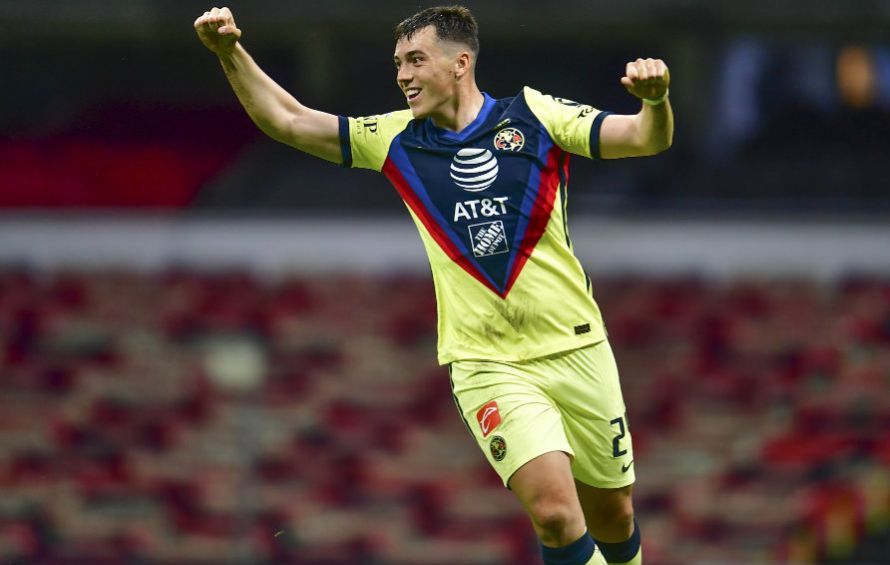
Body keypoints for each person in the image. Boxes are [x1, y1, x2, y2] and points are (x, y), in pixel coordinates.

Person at [194, 5, 672, 565]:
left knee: (612, 514)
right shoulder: (395, 138)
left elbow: (644, 138)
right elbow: (291, 121)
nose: (401, 75)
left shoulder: (536, 116)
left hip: (578, 347)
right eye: (398, 63)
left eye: (415, 60)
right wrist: (230, 53)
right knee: (556, 516)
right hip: (486, 362)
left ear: (460, 63)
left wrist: (656, 100)